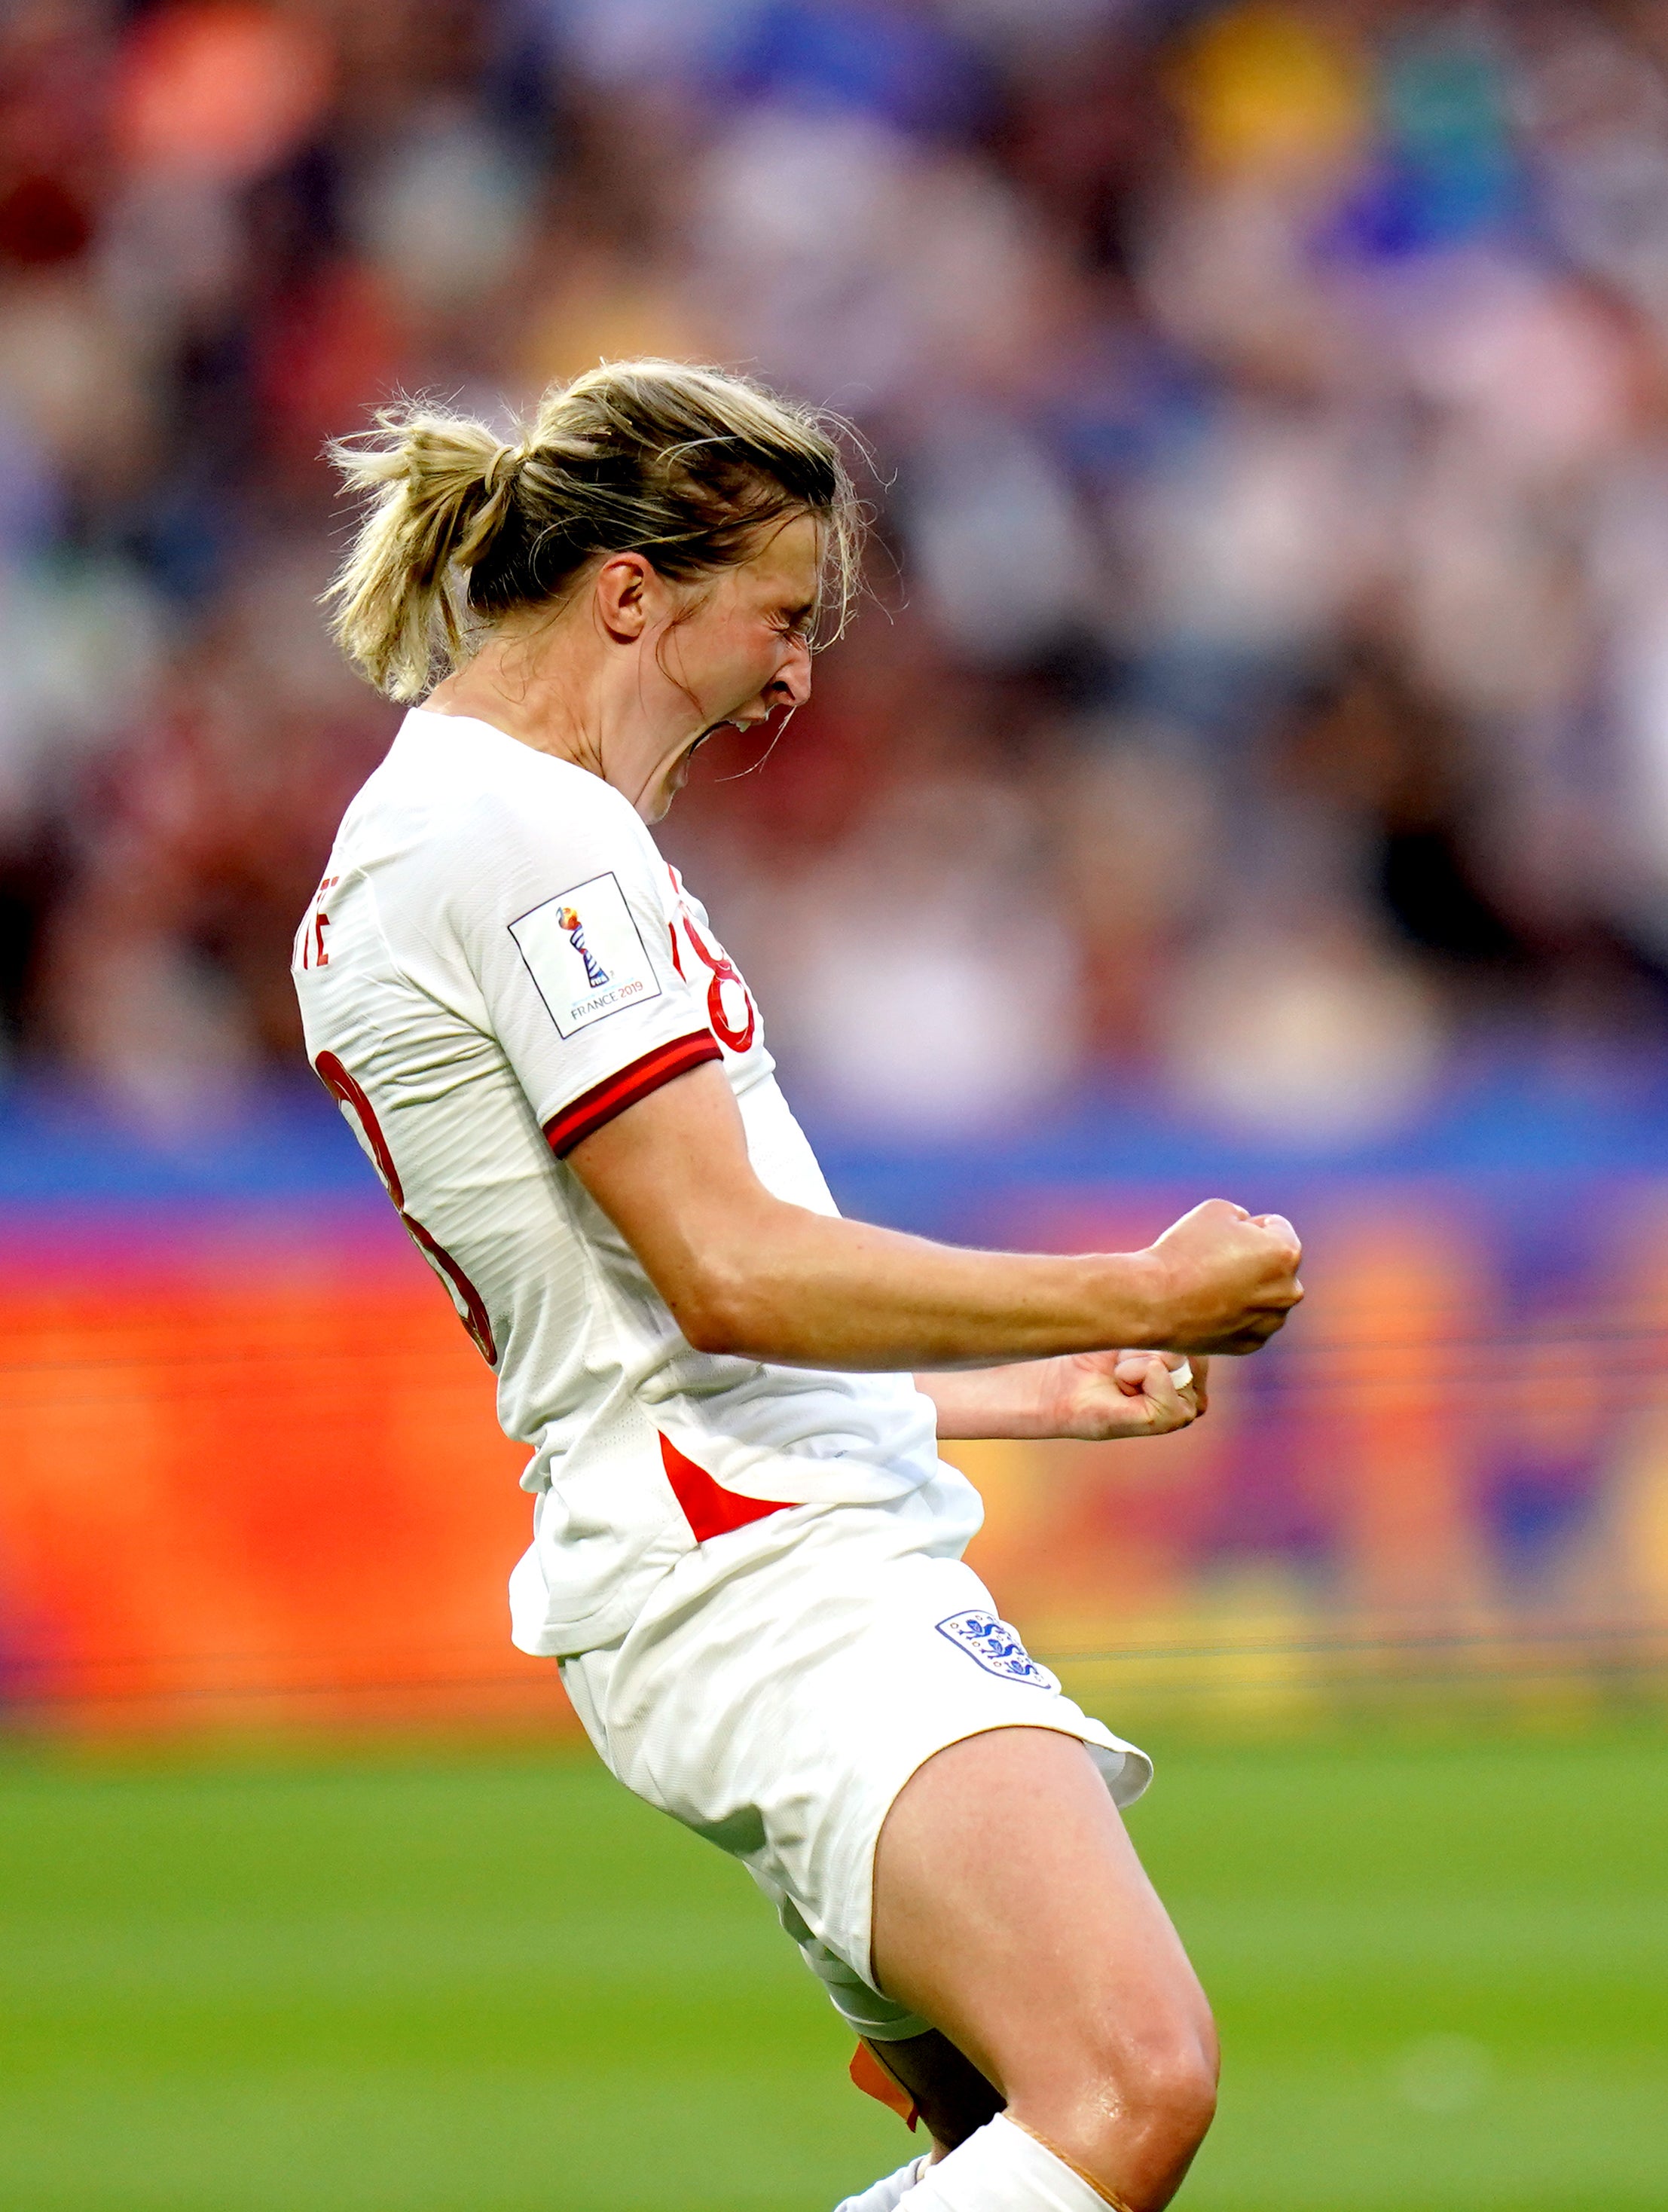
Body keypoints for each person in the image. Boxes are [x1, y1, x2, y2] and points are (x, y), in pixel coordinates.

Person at [292, 359, 1303, 2212]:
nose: (796, 676)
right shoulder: (521, 836)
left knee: (1017, 2143)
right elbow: (731, 1274)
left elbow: (634, 1315)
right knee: (1127, 2085)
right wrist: (1131, 1292)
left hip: (733, 1532)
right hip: (764, 1565)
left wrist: (1018, 1393)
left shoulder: (449, 829)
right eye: (776, 614)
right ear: (631, 592)